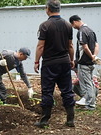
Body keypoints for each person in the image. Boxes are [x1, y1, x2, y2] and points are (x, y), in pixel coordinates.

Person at [34, 0, 75, 128]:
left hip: (49, 63)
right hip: (64, 62)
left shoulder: (45, 25)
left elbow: (41, 46)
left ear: (48, 9)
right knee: (67, 90)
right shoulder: (68, 25)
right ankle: (70, 119)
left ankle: (45, 120)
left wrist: (36, 61)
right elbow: (70, 45)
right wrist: (71, 60)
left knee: (47, 91)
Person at [69, 15, 99, 110]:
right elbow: (96, 45)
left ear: (74, 22)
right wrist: (94, 56)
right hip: (90, 62)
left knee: (86, 83)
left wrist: (90, 56)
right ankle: (90, 101)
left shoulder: (81, 31)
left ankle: (90, 104)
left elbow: (84, 47)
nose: (74, 27)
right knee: (89, 81)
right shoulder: (91, 31)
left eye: (73, 25)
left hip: (84, 62)